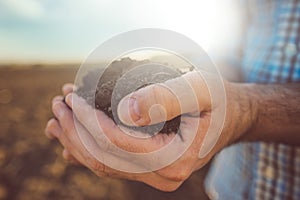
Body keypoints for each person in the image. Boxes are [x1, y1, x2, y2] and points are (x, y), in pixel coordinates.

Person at [45, 0, 300, 198]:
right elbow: (231, 50)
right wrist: (205, 87)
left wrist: (247, 110)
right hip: (228, 188)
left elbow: (245, 107)